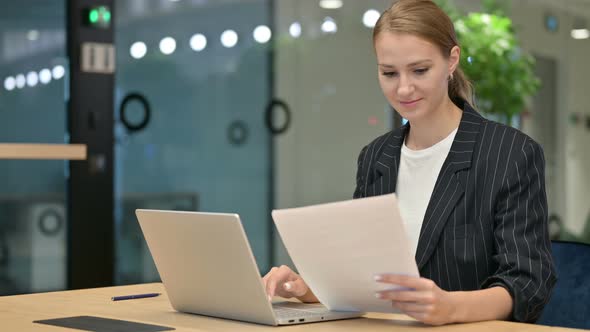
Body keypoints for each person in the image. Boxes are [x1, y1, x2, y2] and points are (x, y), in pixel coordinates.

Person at [262, 0, 556, 326]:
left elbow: (527, 282)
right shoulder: (376, 156)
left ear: (451, 62)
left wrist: (451, 308)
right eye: (389, 73)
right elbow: (364, 279)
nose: (403, 88)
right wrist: (310, 288)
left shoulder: (510, 153)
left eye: (419, 70)